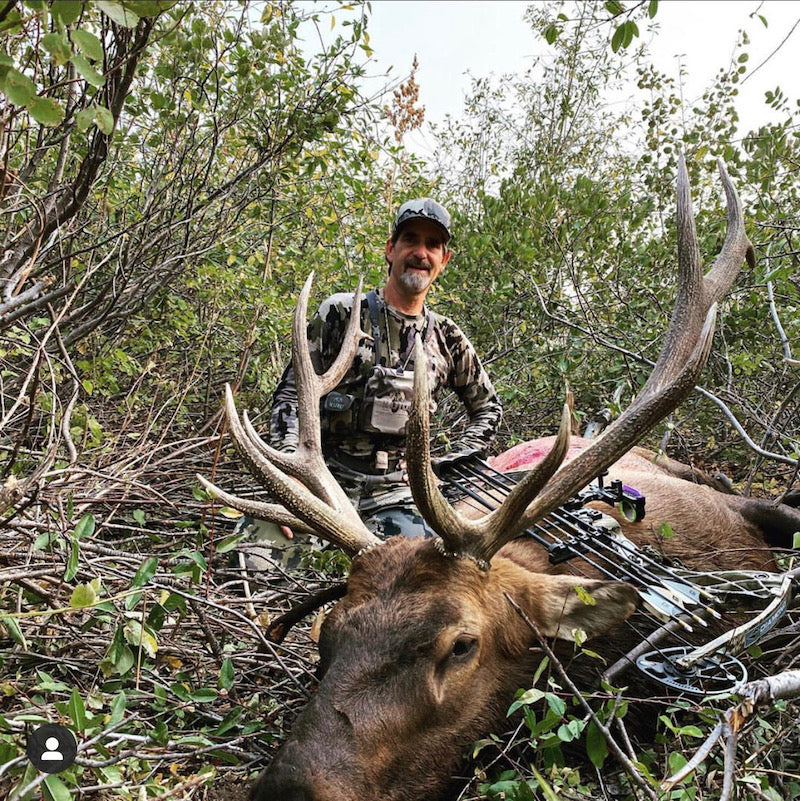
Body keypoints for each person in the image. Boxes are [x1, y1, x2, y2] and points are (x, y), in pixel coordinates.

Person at [267, 197, 502, 541]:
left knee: (431, 583)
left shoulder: (447, 336)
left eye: (432, 245)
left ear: (444, 260)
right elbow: (291, 393)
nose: (421, 253)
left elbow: (489, 409)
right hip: (324, 483)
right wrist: (292, 471)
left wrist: (445, 468)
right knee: (251, 563)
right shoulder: (340, 313)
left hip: (400, 497)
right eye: (410, 240)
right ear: (391, 249)